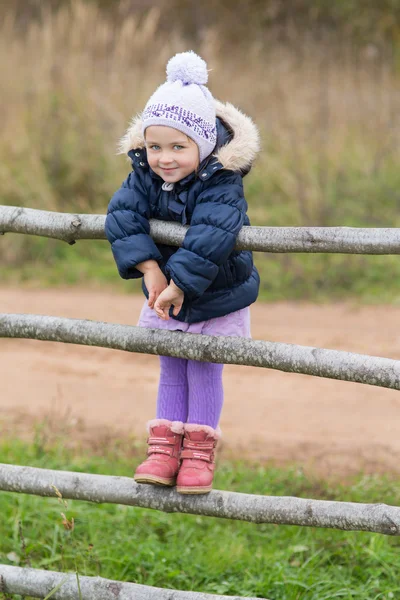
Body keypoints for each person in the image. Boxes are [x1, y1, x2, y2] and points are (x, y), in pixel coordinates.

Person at [105, 51, 260, 494]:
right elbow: (121, 216)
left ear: (204, 145)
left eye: (178, 147)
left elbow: (213, 233)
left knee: (204, 368)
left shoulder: (222, 181)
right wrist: (150, 268)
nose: (164, 159)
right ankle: (163, 449)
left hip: (213, 292)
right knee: (171, 368)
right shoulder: (143, 174)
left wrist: (179, 284)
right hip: (165, 291)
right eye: (155, 147)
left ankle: (198, 454)